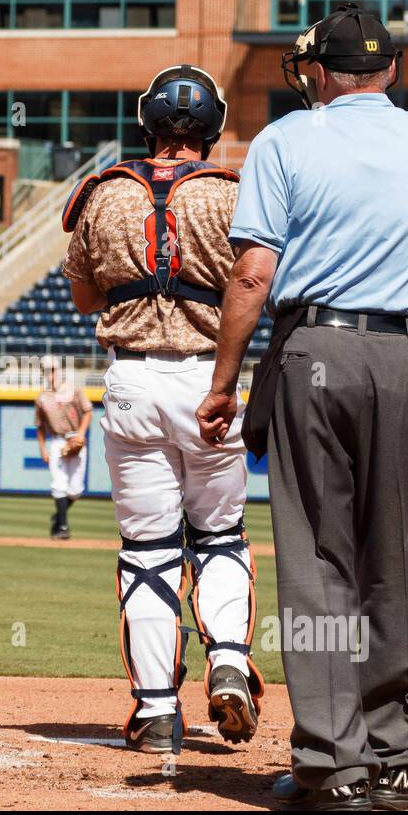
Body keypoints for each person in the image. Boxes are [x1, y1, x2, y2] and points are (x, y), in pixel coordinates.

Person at [197, 6, 408, 809]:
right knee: (394, 559)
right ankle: (400, 755)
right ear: (391, 72)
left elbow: (254, 274)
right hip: (406, 357)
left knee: (319, 563)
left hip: (314, 352)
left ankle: (333, 763)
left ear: (320, 72)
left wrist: (223, 384)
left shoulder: (285, 140)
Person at [64, 64, 262, 756]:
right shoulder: (238, 195)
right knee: (219, 536)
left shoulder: (102, 193)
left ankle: (154, 712)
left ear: (147, 122)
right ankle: (229, 662)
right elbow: (259, 281)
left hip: (132, 383)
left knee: (147, 550)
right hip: (213, 377)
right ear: (211, 129)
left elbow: (85, 298)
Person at [34, 356, 92, 540]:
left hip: (76, 439)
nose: (51, 374)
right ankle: (62, 527)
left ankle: (59, 516)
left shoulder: (74, 390)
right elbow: (40, 426)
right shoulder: (42, 398)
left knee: (75, 490)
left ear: (59, 370)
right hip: (57, 441)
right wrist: (42, 449)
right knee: (59, 485)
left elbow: (88, 412)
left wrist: (81, 434)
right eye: (47, 371)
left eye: (53, 370)